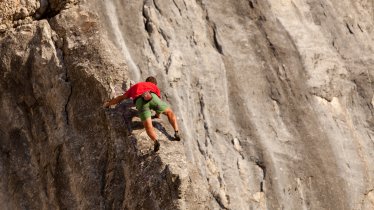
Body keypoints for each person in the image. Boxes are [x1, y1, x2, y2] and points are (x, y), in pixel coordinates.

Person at [103, 76, 180, 152]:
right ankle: (176, 132)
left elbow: (121, 98)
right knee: (169, 113)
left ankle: (155, 140)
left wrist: (109, 103)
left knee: (148, 125)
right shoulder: (154, 86)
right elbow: (157, 104)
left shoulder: (137, 86)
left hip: (140, 102)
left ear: (146, 81)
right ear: (155, 83)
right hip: (152, 97)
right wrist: (157, 115)